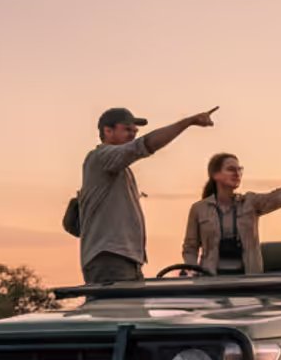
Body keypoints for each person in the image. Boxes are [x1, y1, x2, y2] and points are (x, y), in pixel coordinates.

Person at [80, 105, 217, 284]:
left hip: (126, 259)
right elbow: (144, 145)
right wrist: (188, 122)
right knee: (115, 311)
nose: (133, 133)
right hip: (110, 259)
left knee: (134, 310)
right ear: (108, 131)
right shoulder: (100, 157)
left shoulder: (119, 169)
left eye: (135, 130)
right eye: (127, 129)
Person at [182, 153, 281, 274]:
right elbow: (190, 247)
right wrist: (194, 270)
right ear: (216, 175)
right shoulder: (199, 209)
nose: (237, 173)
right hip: (211, 279)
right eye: (231, 169)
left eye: (240, 169)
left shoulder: (250, 203)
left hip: (248, 279)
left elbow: (277, 197)